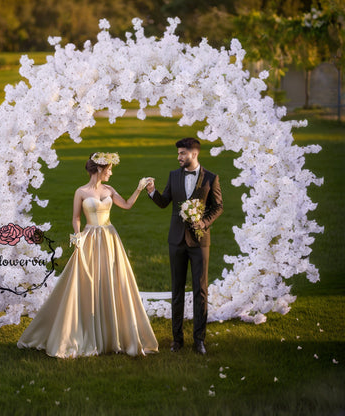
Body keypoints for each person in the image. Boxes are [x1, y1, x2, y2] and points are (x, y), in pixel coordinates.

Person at [18, 152, 158, 358]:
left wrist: (139, 188)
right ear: (99, 168)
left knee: (111, 279)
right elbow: (76, 218)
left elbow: (127, 205)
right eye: (109, 169)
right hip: (89, 238)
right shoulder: (81, 192)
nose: (111, 173)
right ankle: (81, 330)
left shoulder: (109, 190)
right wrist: (77, 237)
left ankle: (112, 332)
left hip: (109, 238)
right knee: (86, 280)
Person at [146, 138, 223, 355]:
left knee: (201, 290)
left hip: (200, 242)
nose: (179, 157)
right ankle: (177, 339)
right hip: (177, 240)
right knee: (177, 290)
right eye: (178, 153)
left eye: (182, 153)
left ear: (194, 154)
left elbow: (218, 207)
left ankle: (199, 340)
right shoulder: (173, 175)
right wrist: (152, 191)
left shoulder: (211, 178)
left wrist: (204, 222)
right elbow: (164, 202)